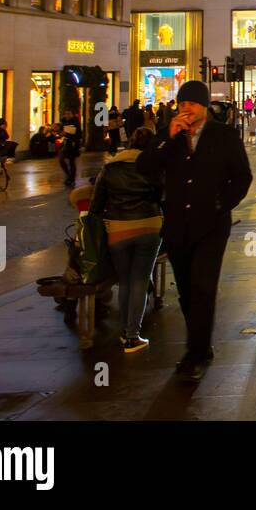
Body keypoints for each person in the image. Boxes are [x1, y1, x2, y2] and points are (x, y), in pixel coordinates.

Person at [136, 80, 252, 383]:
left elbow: (242, 176)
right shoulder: (168, 137)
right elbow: (144, 167)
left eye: (192, 104)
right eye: (182, 103)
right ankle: (199, 344)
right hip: (176, 224)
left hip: (211, 226)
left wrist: (221, 203)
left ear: (204, 107)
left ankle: (196, 352)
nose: (186, 109)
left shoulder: (223, 136)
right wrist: (167, 139)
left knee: (203, 286)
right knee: (186, 290)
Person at [91, 127, 163, 352]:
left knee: (125, 281)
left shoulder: (110, 167)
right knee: (140, 279)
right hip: (149, 227)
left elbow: (96, 205)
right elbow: (163, 196)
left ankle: (125, 332)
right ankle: (133, 335)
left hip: (118, 229)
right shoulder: (152, 167)